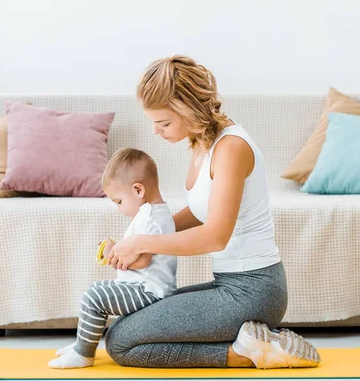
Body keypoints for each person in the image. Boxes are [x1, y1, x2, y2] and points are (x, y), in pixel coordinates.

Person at [104, 55, 321, 369]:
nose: (155, 131)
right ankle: (251, 342)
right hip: (229, 285)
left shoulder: (231, 148)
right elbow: (197, 211)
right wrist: (135, 237)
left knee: (121, 342)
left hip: (255, 292)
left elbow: (216, 236)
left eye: (163, 122)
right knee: (122, 328)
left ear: (188, 110)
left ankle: (246, 353)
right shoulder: (201, 142)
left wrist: (140, 244)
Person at [49, 148, 177, 369]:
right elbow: (138, 251)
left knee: (94, 296)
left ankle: (84, 353)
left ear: (138, 190)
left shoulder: (153, 218)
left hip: (149, 291)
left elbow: (143, 261)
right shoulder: (149, 213)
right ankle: (83, 343)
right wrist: (116, 247)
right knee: (97, 291)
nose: (118, 209)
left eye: (118, 201)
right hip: (141, 286)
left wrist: (113, 254)